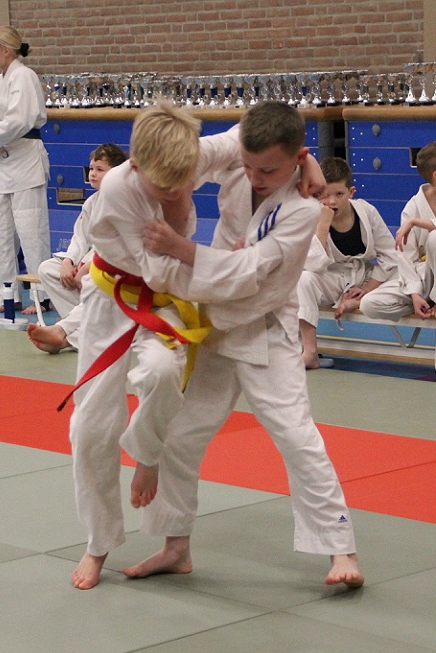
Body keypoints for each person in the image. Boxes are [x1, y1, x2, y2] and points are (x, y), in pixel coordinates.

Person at [123, 101, 364, 589]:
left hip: (266, 329)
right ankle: (175, 546)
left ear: (297, 157)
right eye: (249, 166)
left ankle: (342, 548)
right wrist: (149, 157)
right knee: (181, 434)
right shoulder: (240, 149)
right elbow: (188, 158)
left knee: (295, 435)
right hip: (214, 326)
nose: (254, 177)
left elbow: (246, 274)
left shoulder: (302, 210)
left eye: (268, 170)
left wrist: (181, 248)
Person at [66, 102, 245, 590]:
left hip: (165, 298)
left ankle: (146, 455)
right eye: (163, 185)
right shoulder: (117, 190)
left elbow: (250, 134)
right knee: (91, 426)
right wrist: (213, 264)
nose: (174, 190)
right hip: (113, 294)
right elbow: (158, 269)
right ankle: (98, 543)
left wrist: (305, 161)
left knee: (164, 373)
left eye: (182, 181)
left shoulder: (188, 153)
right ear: (138, 164)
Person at [296, 157, 420, 369]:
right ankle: (310, 352)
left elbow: (389, 256)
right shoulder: (312, 215)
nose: (332, 201)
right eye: (325, 195)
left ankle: (359, 300)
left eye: (339, 194)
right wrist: (323, 226)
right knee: (302, 279)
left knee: (405, 269)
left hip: (363, 277)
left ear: (351, 192)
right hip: (329, 278)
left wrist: (365, 289)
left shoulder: (367, 212)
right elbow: (312, 265)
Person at [0, 26, 52, 317]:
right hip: (4, 164)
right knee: (2, 236)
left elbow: (19, 122)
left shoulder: (25, 76)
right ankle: (9, 297)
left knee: (32, 233)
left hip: (26, 162)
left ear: (7, 50)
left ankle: (43, 296)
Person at [352, 141, 436, 324]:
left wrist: (416, 222)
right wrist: (415, 294)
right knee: (369, 304)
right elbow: (406, 257)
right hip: (424, 279)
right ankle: (426, 303)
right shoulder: (413, 206)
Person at [27, 143, 127, 354]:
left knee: (96, 282)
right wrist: (68, 261)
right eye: (91, 169)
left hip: (113, 271)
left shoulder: (124, 203)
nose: (93, 174)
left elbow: (116, 247)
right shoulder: (92, 202)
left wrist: (88, 268)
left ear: (117, 173)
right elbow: (80, 238)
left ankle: (65, 334)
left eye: (100, 169)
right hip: (89, 266)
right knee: (48, 269)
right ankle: (78, 324)